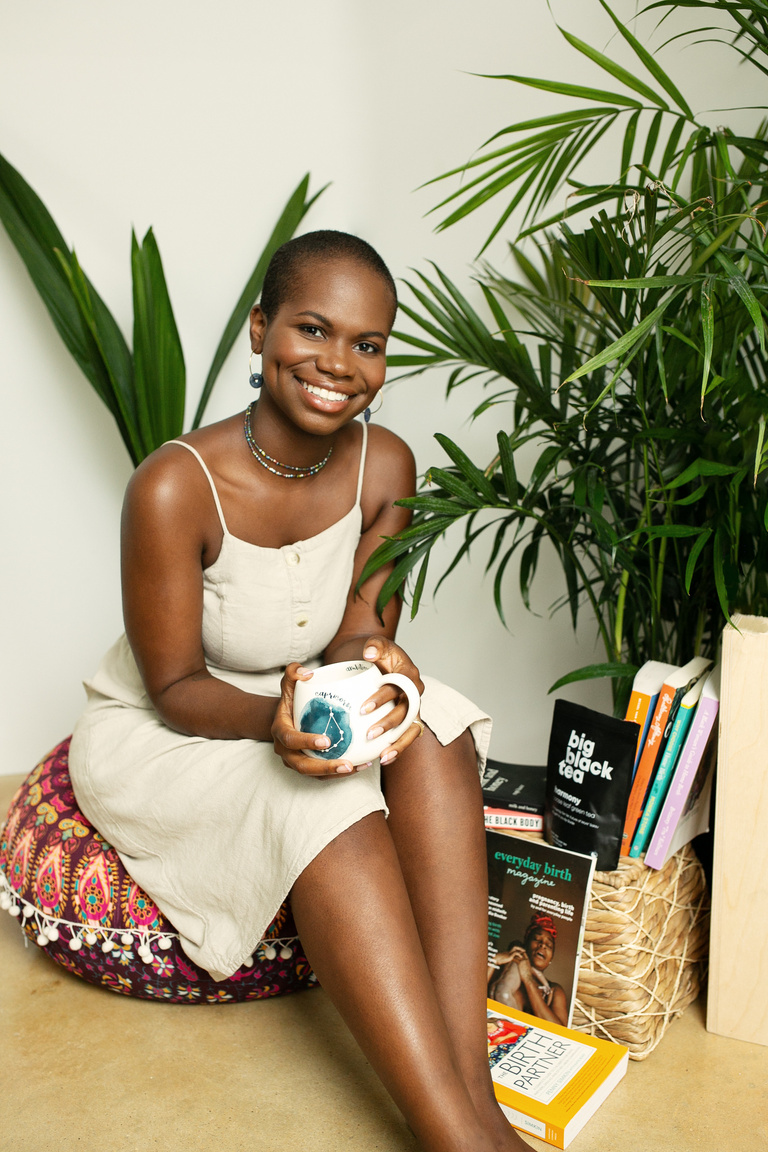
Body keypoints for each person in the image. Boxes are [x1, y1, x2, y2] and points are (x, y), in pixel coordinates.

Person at [68, 231, 530, 1152]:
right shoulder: (173, 486)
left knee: (434, 726)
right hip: (178, 725)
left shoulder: (386, 466)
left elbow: (358, 628)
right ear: (260, 329)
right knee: (323, 805)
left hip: (300, 686)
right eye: (312, 329)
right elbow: (173, 686)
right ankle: (450, 1133)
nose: (338, 364)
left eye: (368, 344)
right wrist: (274, 726)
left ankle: (475, 1095)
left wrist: (380, 658)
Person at [487, 913, 568, 1027]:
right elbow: (469, 1000)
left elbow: (559, 1032)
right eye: (536, 939)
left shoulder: (554, 991)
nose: (542, 945)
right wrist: (493, 960)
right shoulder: (500, 970)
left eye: (549, 945)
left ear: (551, 959)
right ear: (525, 944)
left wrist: (528, 979)